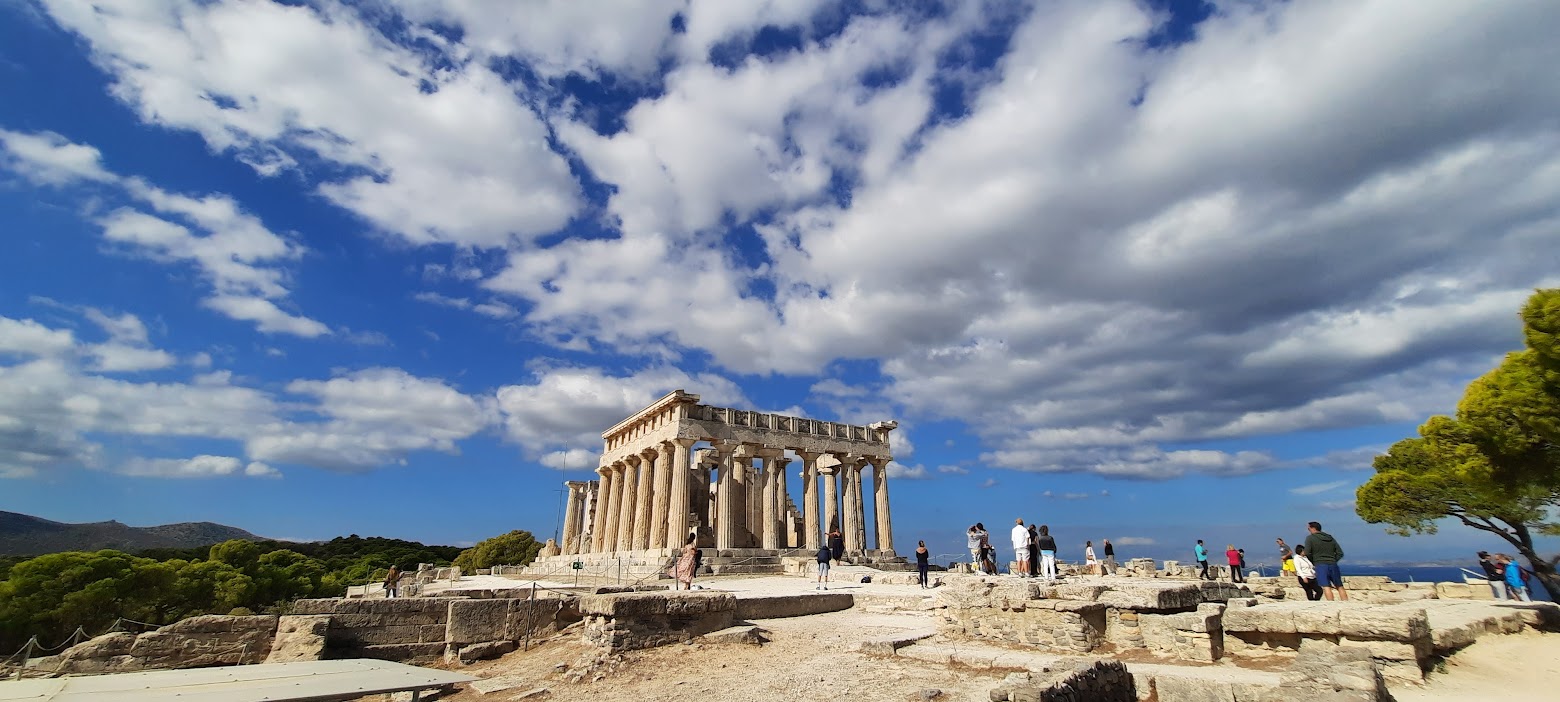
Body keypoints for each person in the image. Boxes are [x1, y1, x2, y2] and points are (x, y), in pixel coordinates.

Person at [1303, 521, 1347, 601]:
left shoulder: (1310, 538)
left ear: (1313, 528)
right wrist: (1333, 560)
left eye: (1308, 528)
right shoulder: (1330, 538)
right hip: (1333, 564)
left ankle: (1331, 604)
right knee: (1339, 586)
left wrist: (1314, 561)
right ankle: (1346, 603)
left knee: (1326, 587)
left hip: (1320, 564)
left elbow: (1307, 552)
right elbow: (1340, 553)